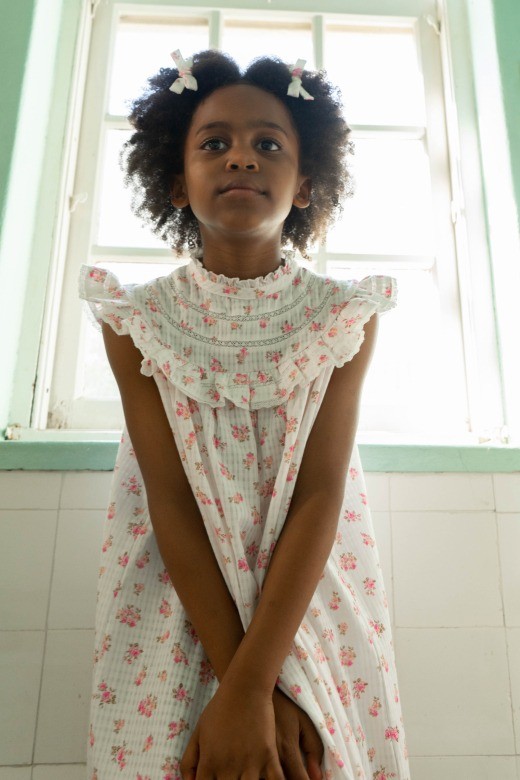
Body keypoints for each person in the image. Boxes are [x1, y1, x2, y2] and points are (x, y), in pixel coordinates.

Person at [79, 49, 410, 780]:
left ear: (306, 184)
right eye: (213, 143)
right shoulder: (135, 320)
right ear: (175, 181)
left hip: (306, 604)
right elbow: (170, 500)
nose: (241, 157)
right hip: (177, 605)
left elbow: (319, 494)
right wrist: (242, 691)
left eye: (268, 143)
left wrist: (261, 684)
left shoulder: (344, 316)